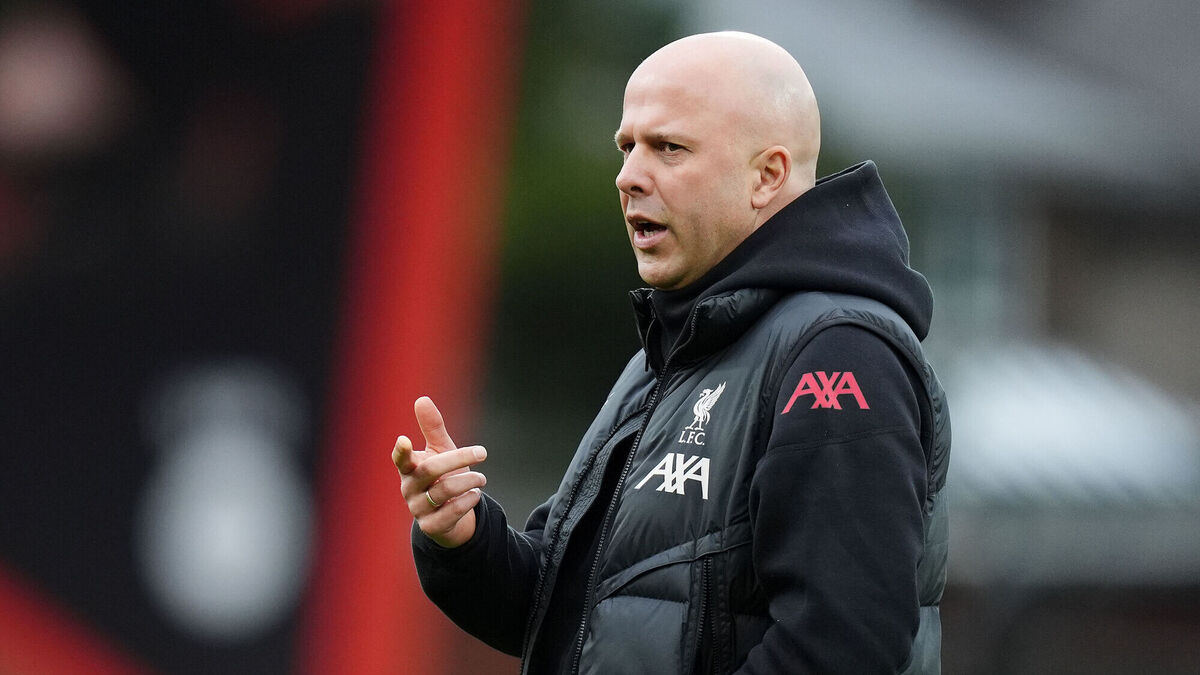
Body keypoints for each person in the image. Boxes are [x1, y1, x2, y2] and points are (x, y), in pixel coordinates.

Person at [391, 31, 951, 675]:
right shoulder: (670, 354)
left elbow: (839, 650)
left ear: (767, 176)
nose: (628, 176)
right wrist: (462, 536)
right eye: (627, 147)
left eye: (669, 148)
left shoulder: (838, 352)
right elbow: (565, 617)